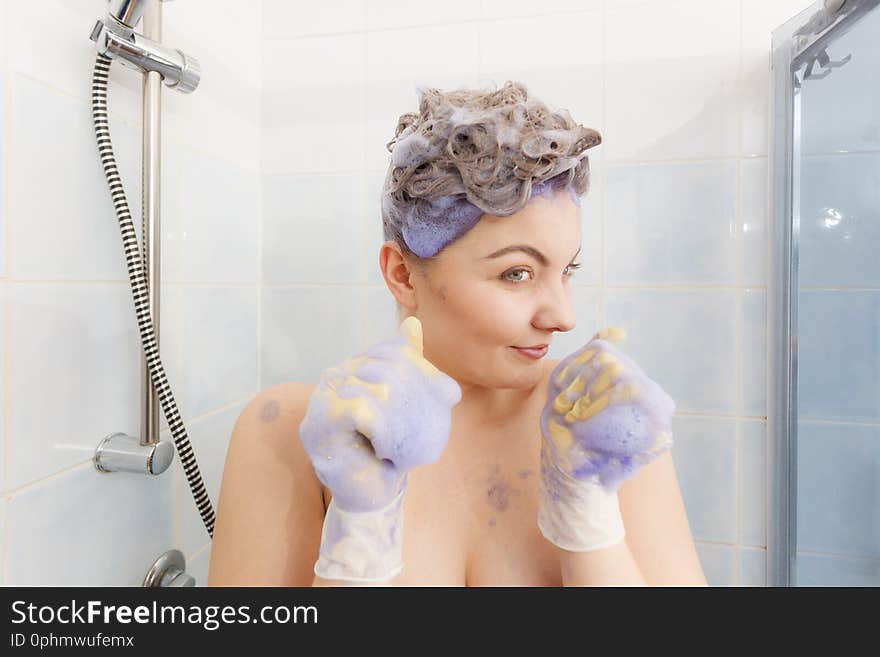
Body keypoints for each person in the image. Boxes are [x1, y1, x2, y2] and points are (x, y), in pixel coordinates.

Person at [207, 81, 708, 587]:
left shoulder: (601, 422)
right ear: (402, 275)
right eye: (518, 273)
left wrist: (588, 517)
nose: (562, 316)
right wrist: (360, 537)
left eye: (566, 270)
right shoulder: (287, 433)